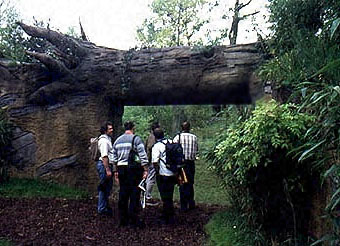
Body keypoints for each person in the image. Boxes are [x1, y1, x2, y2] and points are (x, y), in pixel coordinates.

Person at [112, 121, 149, 227]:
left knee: (123, 193)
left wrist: (115, 171)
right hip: (133, 170)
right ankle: (134, 220)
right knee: (134, 193)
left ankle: (122, 220)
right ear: (133, 128)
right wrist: (145, 169)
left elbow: (113, 158)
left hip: (121, 169)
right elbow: (142, 155)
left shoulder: (117, 140)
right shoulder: (136, 139)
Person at [152, 127, 176, 224]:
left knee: (164, 195)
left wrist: (157, 172)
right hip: (173, 173)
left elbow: (154, 162)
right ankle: (170, 213)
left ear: (155, 136)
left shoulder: (157, 146)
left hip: (163, 173)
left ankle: (167, 217)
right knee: (170, 194)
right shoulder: (171, 142)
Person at [173, 121, 198, 212]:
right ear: (189, 128)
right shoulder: (194, 137)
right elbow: (196, 150)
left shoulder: (177, 137)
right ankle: (191, 203)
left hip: (181, 164)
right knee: (190, 183)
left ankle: (183, 205)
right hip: (191, 163)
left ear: (182, 128)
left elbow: (173, 150)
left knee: (182, 183)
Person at [96, 121, 114, 216]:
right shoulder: (103, 141)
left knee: (107, 187)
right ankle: (102, 208)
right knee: (103, 187)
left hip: (106, 165)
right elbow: (104, 156)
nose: (112, 130)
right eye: (110, 129)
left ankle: (105, 206)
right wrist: (107, 169)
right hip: (104, 165)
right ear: (105, 130)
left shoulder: (108, 139)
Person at [145, 122, 160, 206]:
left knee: (150, 178)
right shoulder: (152, 137)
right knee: (150, 178)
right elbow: (150, 147)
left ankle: (147, 195)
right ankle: (147, 197)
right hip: (151, 160)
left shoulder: (151, 136)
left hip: (150, 160)